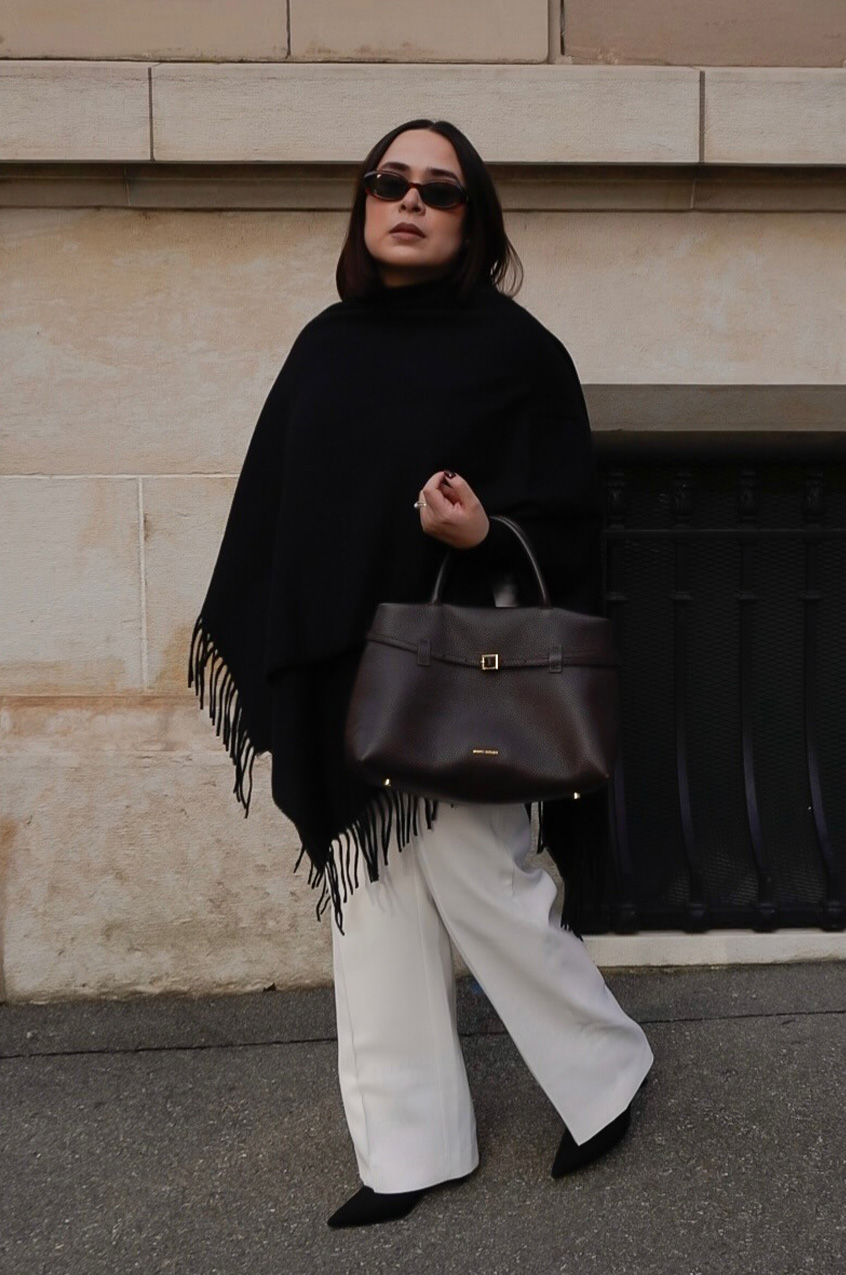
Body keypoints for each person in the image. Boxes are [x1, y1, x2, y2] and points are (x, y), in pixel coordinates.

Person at [189, 118, 653, 1229]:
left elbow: (568, 526)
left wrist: (481, 533)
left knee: (490, 886)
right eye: (387, 182)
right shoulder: (326, 346)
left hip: (461, 676)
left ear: (470, 219)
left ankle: (605, 1075)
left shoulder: (517, 353)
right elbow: (283, 517)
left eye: (437, 191)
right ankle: (407, 1147)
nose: (407, 202)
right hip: (345, 673)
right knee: (370, 908)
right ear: (362, 203)